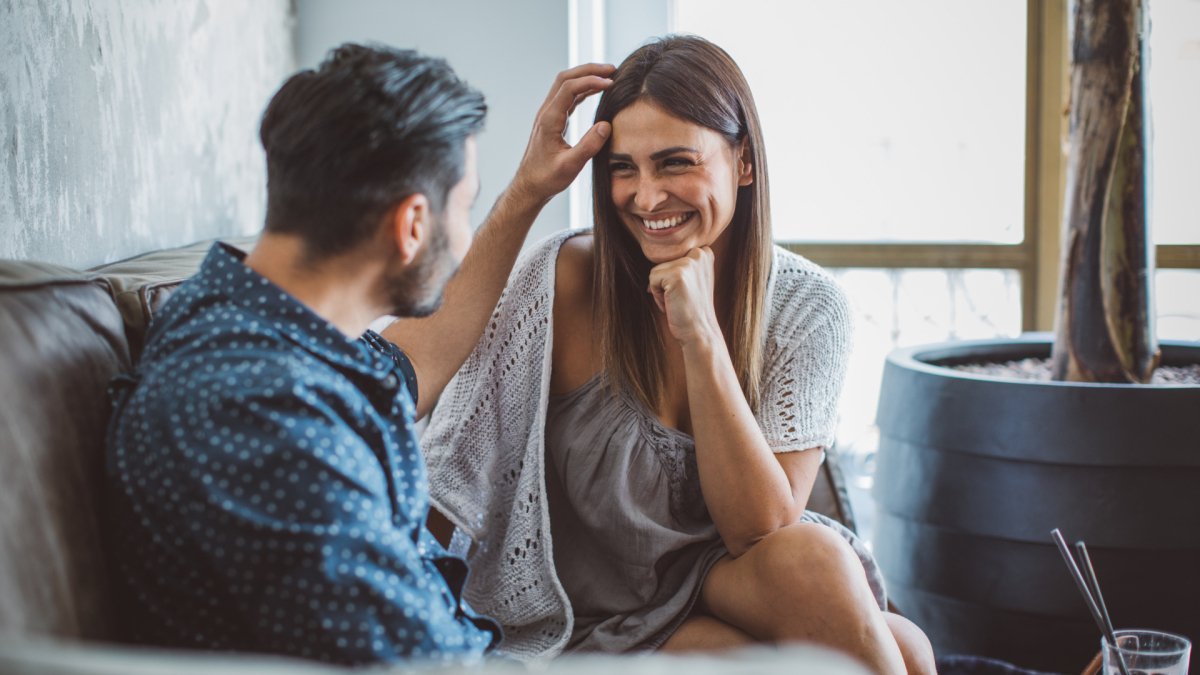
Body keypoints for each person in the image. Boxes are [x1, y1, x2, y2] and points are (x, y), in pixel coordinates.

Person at [413, 35, 937, 674]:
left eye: (675, 162)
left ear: (743, 160)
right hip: (593, 611)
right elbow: (448, 451)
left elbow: (761, 529)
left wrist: (702, 336)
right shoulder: (566, 280)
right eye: (624, 169)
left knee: (882, 619)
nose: (647, 197)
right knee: (885, 654)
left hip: (728, 577)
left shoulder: (809, 306)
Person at [103, 43, 613, 665]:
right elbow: (427, 664)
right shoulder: (261, 419)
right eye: (465, 207)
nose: (461, 237)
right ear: (411, 225)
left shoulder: (260, 326)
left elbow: (414, 366)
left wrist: (526, 193)